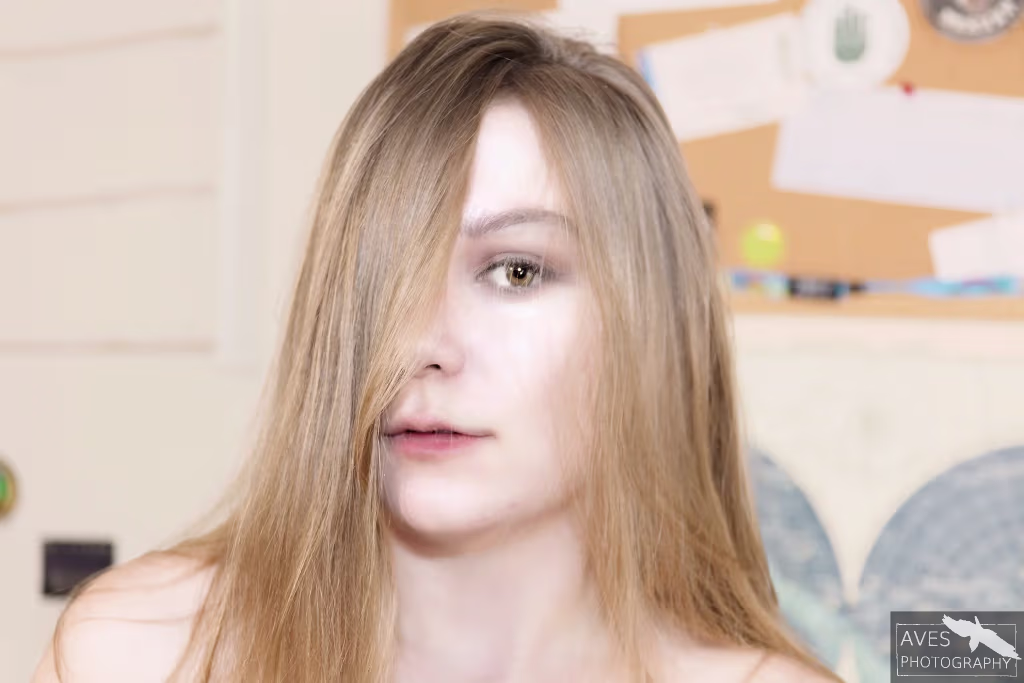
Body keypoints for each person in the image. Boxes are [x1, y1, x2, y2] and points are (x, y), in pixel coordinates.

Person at [33, 10, 846, 683]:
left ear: (649, 326)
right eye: (385, 275)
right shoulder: (141, 651)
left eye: (517, 270)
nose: (422, 341)